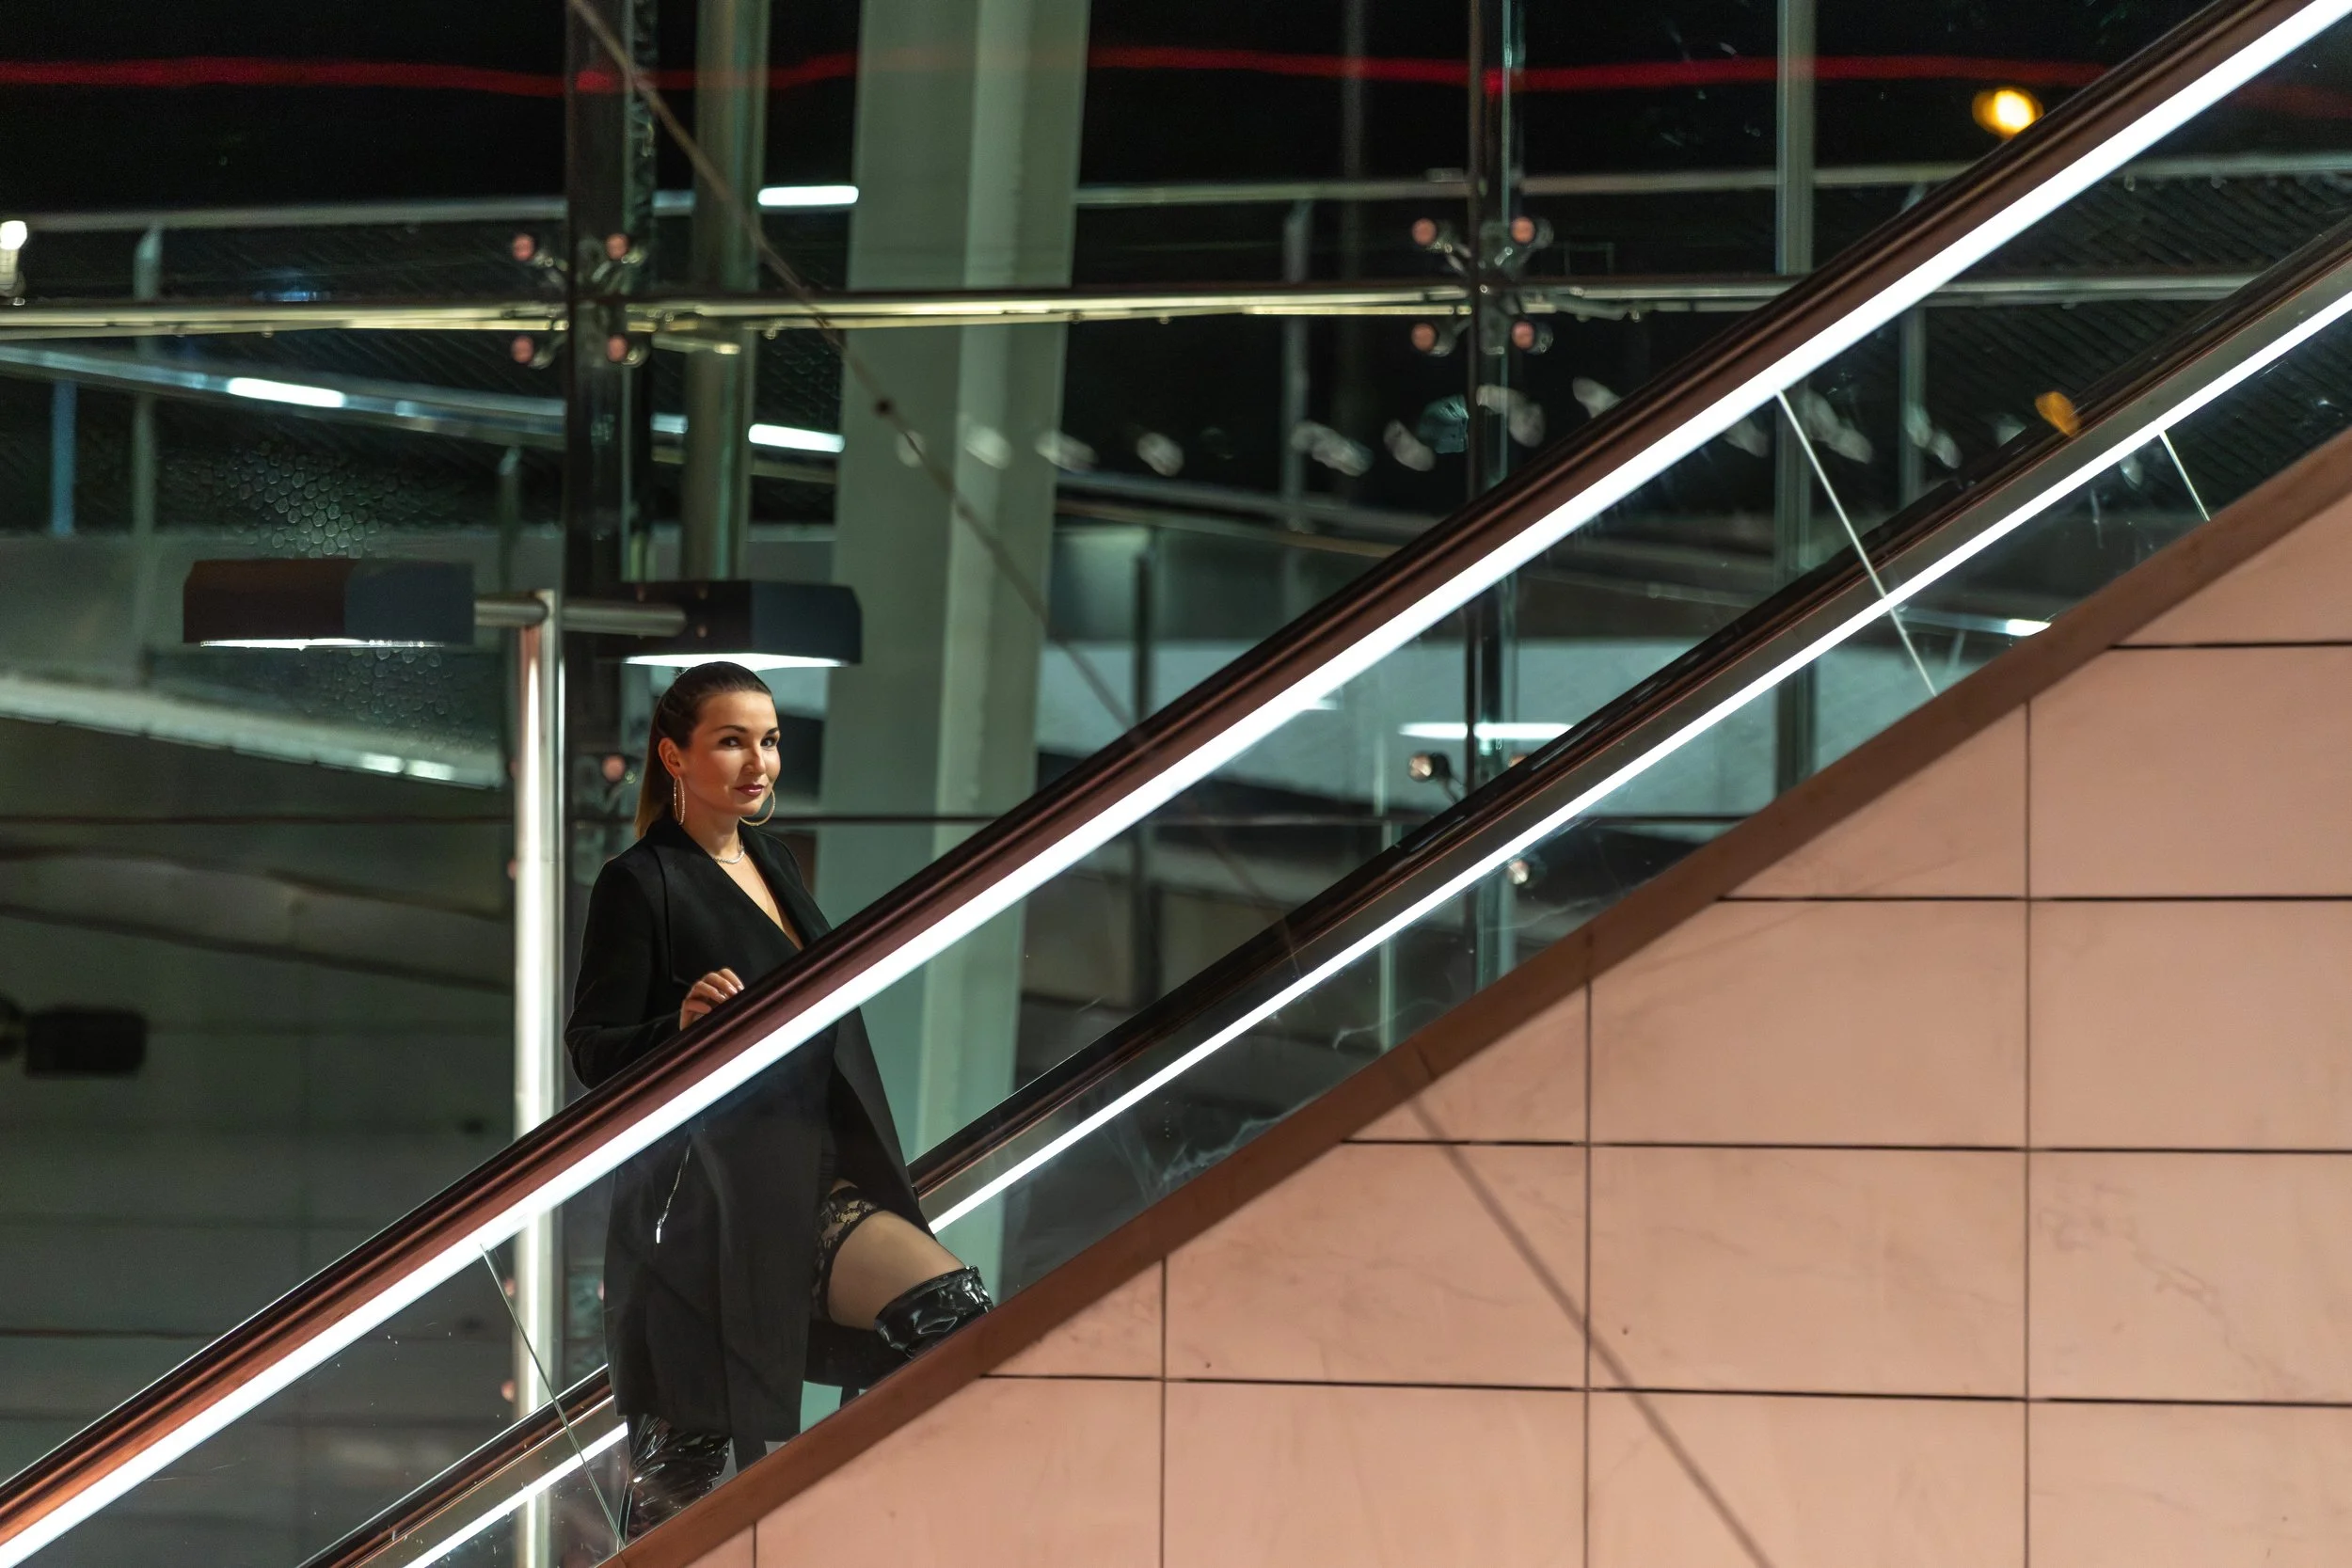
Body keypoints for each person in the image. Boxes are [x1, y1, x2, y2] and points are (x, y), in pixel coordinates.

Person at [566, 660, 990, 1537]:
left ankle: (838, 1523)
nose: (757, 761)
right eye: (730, 741)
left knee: (952, 1317)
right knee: (674, 1503)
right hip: (715, 1207)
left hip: (818, 1176)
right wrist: (678, 1030)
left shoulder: (774, 858)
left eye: (769, 740)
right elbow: (593, 1052)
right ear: (674, 756)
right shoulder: (641, 882)